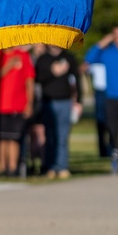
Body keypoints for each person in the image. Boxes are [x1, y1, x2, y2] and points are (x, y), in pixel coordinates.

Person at [0, 47, 35, 177]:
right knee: (2, 138)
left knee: (14, 138)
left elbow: (29, 80)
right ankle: (3, 168)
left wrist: (29, 103)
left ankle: (12, 169)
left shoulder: (23, 56)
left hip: (18, 105)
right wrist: (8, 66)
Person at [34, 43, 80, 179]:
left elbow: (77, 81)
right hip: (49, 101)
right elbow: (37, 78)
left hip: (65, 101)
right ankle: (51, 166)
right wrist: (52, 72)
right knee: (50, 136)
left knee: (63, 136)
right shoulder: (43, 59)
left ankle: (63, 166)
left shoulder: (69, 58)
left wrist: (79, 101)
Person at [101, 26, 118, 174]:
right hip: (112, 98)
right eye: (115, 35)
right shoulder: (107, 53)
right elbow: (89, 58)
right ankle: (116, 157)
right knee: (113, 130)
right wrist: (104, 42)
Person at [82, 35, 111, 158]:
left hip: (113, 92)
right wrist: (102, 42)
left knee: (113, 123)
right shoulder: (97, 56)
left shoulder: (112, 56)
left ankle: (113, 148)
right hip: (100, 92)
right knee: (101, 122)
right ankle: (103, 150)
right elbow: (87, 60)